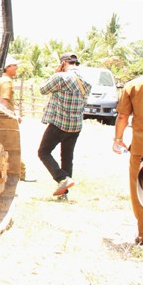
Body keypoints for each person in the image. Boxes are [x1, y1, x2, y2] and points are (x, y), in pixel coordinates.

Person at [37, 52, 91, 197]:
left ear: (63, 63)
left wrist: (56, 74)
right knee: (67, 157)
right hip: (76, 126)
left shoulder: (61, 77)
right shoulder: (86, 80)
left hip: (59, 123)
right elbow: (84, 102)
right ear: (76, 64)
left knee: (43, 152)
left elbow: (42, 90)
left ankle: (62, 179)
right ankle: (64, 193)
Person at [113, 74, 143, 245]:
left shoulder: (134, 85)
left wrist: (118, 139)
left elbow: (123, 116)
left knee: (140, 189)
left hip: (140, 147)